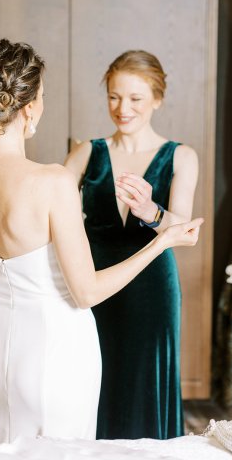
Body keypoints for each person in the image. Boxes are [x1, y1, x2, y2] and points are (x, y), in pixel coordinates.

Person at [0, 40, 202, 446]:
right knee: (60, 449)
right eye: (41, 97)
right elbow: (85, 293)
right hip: (54, 345)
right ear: (27, 107)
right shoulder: (52, 181)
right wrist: (158, 243)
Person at [65, 50, 199, 440]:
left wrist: (148, 209)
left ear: (157, 98)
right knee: (94, 377)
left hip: (151, 289)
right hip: (92, 283)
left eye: (135, 98)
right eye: (114, 96)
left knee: (145, 380)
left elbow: (182, 229)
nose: (122, 108)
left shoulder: (181, 156)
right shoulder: (86, 152)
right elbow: (49, 209)